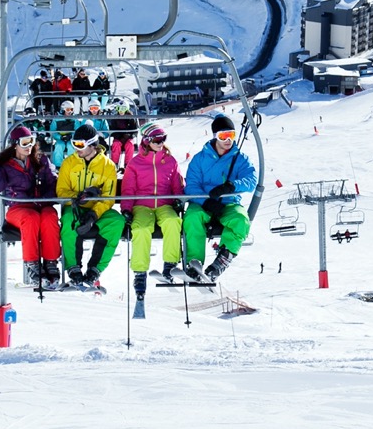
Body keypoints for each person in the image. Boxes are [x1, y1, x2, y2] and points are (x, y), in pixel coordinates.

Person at [0, 125, 62, 289]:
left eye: (31, 141)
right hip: (18, 208)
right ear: (14, 144)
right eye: (24, 143)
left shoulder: (41, 160)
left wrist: (45, 198)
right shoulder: (5, 165)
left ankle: (51, 262)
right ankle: (33, 264)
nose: (29, 147)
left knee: (49, 216)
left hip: (41, 205)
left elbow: (53, 183)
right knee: (30, 218)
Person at [182, 114, 258, 282]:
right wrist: (206, 201)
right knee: (192, 217)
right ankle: (194, 263)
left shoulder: (240, 159)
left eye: (231, 135)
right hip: (203, 203)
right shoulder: (200, 159)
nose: (227, 140)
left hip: (228, 203)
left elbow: (251, 180)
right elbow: (192, 186)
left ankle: (222, 259)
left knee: (241, 220)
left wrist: (232, 186)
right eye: (223, 136)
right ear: (215, 136)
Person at [120, 122, 185, 300]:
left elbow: (177, 185)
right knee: (140, 229)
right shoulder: (135, 163)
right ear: (147, 141)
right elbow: (128, 189)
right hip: (142, 205)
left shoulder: (170, 161)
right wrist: (126, 209)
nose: (160, 143)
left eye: (163, 139)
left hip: (164, 203)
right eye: (157, 139)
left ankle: (170, 264)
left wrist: (179, 200)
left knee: (173, 222)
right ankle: (140, 273)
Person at [55, 123, 125, 287]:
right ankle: (73, 266)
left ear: (92, 144)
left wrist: (93, 215)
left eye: (80, 144)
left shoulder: (107, 166)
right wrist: (78, 198)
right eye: (74, 144)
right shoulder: (69, 163)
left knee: (116, 221)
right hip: (75, 207)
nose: (76, 148)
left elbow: (108, 197)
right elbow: (62, 190)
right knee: (69, 221)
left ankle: (95, 268)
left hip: (97, 210)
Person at [49, 100, 81, 168]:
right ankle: (58, 165)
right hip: (60, 138)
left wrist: (71, 136)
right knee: (59, 145)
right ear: (63, 110)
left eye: (71, 109)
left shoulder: (74, 119)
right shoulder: (57, 119)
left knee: (71, 146)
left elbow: (77, 130)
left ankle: (71, 164)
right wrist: (59, 137)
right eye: (68, 109)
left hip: (71, 138)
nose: (70, 111)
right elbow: (52, 131)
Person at [109, 99, 139, 169]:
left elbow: (135, 131)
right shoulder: (115, 118)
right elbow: (112, 130)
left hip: (128, 138)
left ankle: (127, 165)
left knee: (130, 145)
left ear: (127, 109)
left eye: (123, 108)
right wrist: (119, 137)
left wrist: (130, 135)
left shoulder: (131, 118)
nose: (121, 111)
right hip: (118, 138)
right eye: (119, 108)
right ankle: (114, 164)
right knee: (116, 145)